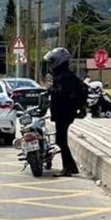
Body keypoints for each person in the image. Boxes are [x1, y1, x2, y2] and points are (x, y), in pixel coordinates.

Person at [44, 47, 88, 177]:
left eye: (52, 61)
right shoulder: (65, 75)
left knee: (61, 141)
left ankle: (67, 168)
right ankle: (71, 166)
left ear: (58, 61)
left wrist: (50, 89)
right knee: (61, 140)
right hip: (65, 112)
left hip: (64, 112)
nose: (50, 65)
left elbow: (62, 93)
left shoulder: (64, 77)